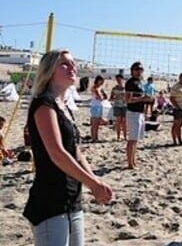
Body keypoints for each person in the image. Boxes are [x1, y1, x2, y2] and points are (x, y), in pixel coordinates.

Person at [23, 49, 113, 245]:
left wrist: (95, 180)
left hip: (72, 198)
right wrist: (93, 184)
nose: (72, 67)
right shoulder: (44, 104)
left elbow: (76, 151)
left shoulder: (63, 106)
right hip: (50, 201)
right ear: (49, 71)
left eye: (73, 63)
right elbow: (57, 153)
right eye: (64, 64)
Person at [125, 61, 152, 169]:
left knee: (135, 139)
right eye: (137, 69)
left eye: (141, 69)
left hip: (140, 113)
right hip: (132, 113)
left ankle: (133, 161)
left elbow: (142, 98)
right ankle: (130, 163)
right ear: (132, 71)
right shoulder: (131, 82)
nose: (139, 71)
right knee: (132, 139)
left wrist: (147, 101)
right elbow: (128, 100)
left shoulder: (141, 82)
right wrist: (142, 98)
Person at [110, 74, 127, 141]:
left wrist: (124, 97)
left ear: (123, 80)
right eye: (117, 80)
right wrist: (115, 98)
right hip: (117, 105)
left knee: (124, 122)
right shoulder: (114, 88)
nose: (119, 81)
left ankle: (125, 136)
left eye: (120, 80)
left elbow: (129, 98)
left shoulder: (126, 88)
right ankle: (118, 136)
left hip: (125, 106)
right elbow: (111, 98)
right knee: (118, 121)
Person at [89, 75, 106, 142]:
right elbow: (100, 97)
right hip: (95, 106)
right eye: (101, 81)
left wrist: (102, 95)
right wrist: (102, 96)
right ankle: (94, 137)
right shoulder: (95, 88)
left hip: (98, 106)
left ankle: (95, 137)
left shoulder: (99, 88)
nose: (102, 82)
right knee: (94, 123)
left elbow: (104, 97)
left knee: (97, 123)